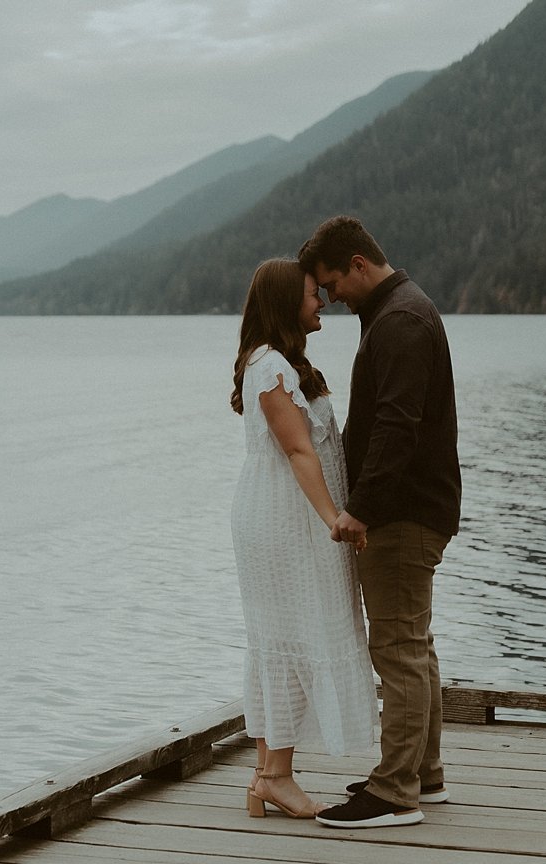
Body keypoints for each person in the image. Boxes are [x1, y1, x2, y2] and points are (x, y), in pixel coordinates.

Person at [298, 216, 462, 829]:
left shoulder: (399, 322)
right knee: (414, 644)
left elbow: (397, 426)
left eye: (333, 282)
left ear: (360, 263)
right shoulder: (401, 312)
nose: (331, 296)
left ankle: (395, 792)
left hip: (401, 514)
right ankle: (424, 772)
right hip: (417, 507)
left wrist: (359, 509)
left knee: (396, 648)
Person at [230, 257, 378, 820]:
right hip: (286, 521)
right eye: (313, 294)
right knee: (288, 638)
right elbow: (298, 450)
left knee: (282, 640)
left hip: (291, 516)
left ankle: (268, 775)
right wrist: (333, 519)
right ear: (285, 302)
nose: (322, 303)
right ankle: (276, 776)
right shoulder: (269, 367)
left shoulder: (282, 362)